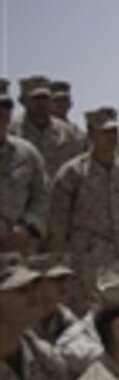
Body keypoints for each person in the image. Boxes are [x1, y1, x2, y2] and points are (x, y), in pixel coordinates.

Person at [47, 107, 119, 307]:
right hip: (88, 264)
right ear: (91, 134)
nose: (111, 137)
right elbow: (57, 223)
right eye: (105, 132)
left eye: (114, 131)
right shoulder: (73, 173)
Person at [0, 79, 47, 253]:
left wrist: (28, 226)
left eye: (6, 107)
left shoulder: (27, 153)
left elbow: (41, 194)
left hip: (20, 249)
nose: (2, 113)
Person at [11, 75, 83, 178]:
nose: (42, 103)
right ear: (23, 101)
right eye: (36, 98)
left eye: (45, 98)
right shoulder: (12, 131)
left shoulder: (65, 132)